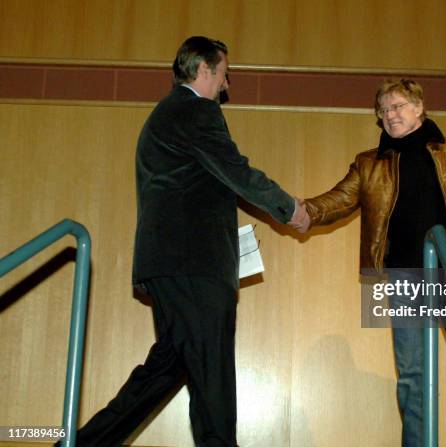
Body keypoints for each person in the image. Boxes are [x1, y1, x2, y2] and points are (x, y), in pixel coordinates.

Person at [67, 36, 310, 447]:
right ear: (203, 70)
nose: (227, 83)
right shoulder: (196, 111)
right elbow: (236, 170)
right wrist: (289, 207)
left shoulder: (169, 114)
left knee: (168, 368)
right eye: (224, 73)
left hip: (172, 264)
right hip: (192, 264)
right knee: (211, 370)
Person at [298, 79, 446, 446]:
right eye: (383, 110)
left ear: (420, 108)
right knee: (412, 375)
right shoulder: (369, 164)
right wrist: (302, 210)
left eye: (398, 106)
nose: (390, 115)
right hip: (406, 276)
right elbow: (338, 200)